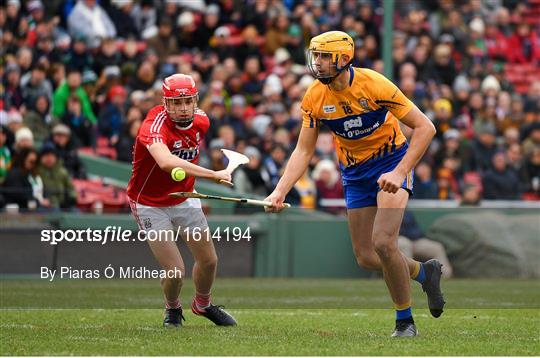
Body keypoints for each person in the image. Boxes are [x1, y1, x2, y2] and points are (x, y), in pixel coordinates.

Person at [264, 31, 444, 337]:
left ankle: (405, 321)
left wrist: (400, 172)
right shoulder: (313, 98)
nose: (317, 63)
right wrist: (279, 190)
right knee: (366, 257)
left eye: (324, 56)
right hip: (355, 173)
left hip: (391, 164)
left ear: (344, 59)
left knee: (384, 243)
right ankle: (424, 272)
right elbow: (303, 150)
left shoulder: (374, 84)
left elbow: (425, 127)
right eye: (315, 56)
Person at [126, 74, 236, 328]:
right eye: (176, 103)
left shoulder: (203, 121)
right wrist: (213, 175)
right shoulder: (152, 126)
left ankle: (203, 304)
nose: (183, 108)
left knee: (209, 261)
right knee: (175, 272)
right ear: (165, 103)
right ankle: (173, 308)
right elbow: (165, 161)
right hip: (150, 203)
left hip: (184, 197)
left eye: (188, 101)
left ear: (196, 100)